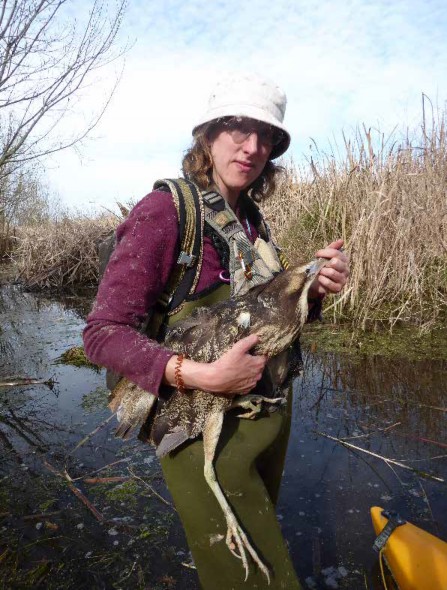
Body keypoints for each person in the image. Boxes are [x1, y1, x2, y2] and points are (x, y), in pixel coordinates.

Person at [83, 72, 349, 589]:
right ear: (207, 135)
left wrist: (310, 295)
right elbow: (101, 333)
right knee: (257, 578)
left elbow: (255, 320)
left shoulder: (251, 220)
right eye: (237, 128)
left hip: (265, 414)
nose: (252, 147)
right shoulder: (164, 213)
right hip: (200, 419)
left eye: (265, 136)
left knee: (257, 548)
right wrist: (201, 376)